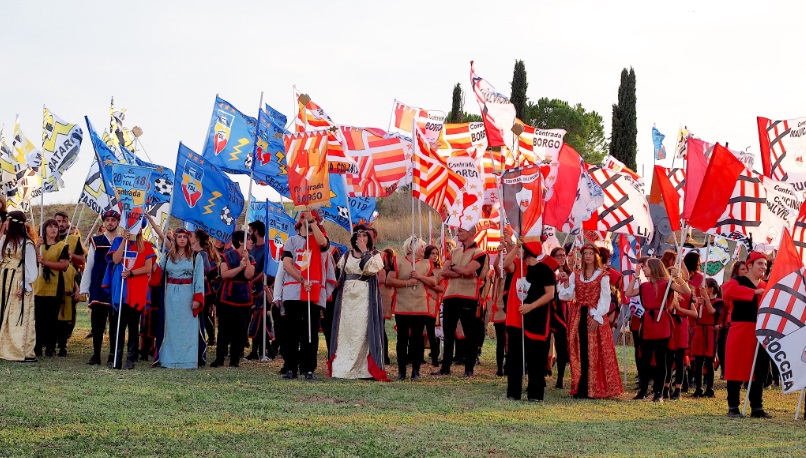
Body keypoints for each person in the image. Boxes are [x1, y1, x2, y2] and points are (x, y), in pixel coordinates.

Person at [558, 243, 623, 399]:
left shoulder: (602, 275)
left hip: (594, 314)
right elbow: (566, 296)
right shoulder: (576, 273)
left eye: (590, 253)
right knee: (579, 350)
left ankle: (595, 387)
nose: (587, 256)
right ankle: (581, 386)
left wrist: (597, 316)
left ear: (596, 256)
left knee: (594, 351)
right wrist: (566, 281)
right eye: (585, 253)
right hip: (578, 314)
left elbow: (605, 298)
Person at [625, 258, 691, 402]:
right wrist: (635, 277)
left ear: (654, 268)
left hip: (662, 323)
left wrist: (678, 277)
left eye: (646, 267)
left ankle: (659, 393)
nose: (643, 269)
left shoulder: (667, 284)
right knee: (645, 360)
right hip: (648, 323)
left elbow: (686, 291)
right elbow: (628, 293)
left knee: (662, 360)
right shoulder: (644, 286)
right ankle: (643, 391)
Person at [328, 225, 388, 380]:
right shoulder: (347, 255)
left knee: (361, 331)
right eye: (358, 236)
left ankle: (362, 369)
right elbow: (340, 272)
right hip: (347, 298)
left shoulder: (375, 255)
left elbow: (369, 269)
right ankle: (343, 367)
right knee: (346, 330)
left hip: (364, 297)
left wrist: (365, 251)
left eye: (365, 236)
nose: (362, 239)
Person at [281, 211, 335, 380]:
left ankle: (308, 368)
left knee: (309, 332)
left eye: (310, 218)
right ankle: (290, 366)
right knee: (291, 332)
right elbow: (287, 264)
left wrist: (313, 224)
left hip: (313, 293)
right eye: (304, 217)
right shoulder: (291, 241)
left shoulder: (320, 240)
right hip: (293, 292)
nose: (306, 220)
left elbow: (322, 243)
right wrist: (302, 279)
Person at [503, 241, 557, 402]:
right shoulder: (517, 266)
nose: (518, 253)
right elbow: (506, 263)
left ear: (527, 252)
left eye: (521, 250)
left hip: (536, 319)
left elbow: (550, 294)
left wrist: (531, 306)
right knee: (514, 358)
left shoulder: (544, 270)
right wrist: (516, 246)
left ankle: (535, 394)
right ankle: (513, 393)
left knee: (536, 358)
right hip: (515, 319)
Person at [433, 226, 488, 377]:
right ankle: (445, 368)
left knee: (470, 334)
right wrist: (462, 272)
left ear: (471, 233)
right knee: (448, 333)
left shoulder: (480, 253)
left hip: (469, 297)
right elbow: (444, 272)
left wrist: (456, 268)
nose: (457, 234)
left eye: (461, 231)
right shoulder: (454, 251)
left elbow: (468, 271)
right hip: (450, 295)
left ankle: (469, 369)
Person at [722, 252, 771, 418]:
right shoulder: (738, 281)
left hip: (761, 332)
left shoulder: (766, 285)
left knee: (759, 368)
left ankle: (757, 407)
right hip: (741, 329)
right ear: (749, 265)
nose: (763, 267)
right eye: (759, 264)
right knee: (736, 366)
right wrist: (754, 293)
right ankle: (733, 407)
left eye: (764, 264)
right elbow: (727, 291)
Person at [153, 228, 205, 369]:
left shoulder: (196, 257)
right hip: (170, 295)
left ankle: (188, 360)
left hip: (188, 294)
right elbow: (159, 274)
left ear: (189, 239)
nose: (182, 239)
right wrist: (153, 263)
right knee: (171, 326)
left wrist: (197, 298)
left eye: (185, 237)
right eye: (179, 237)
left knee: (188, 328)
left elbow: (199, 279)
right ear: (175, 239)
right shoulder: (168, 256)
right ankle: (168, 359)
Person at [386, 237, 435, 380]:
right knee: (402, 339)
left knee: (417, 340)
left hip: (420, 306)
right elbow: (389, 280)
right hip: (402, 306)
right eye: (421, 247)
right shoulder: (398, 261)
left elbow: (433, 281)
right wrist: (407, 282)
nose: (423, 250)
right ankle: (401, 371)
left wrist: (420, 277)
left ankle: (416, 370)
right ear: (412, 248)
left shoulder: (427, 264)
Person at [106, 229, 156, 369]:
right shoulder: (118, 241)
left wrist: (131, 273)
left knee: (134, 325)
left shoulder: (146, 245)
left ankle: (130, 359)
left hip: (137, 289)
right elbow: (115, 260)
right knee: (118, 325)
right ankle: (117, 358)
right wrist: (123, 240)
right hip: (121, 289)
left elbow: (148, 268)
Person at [79, 210, 120, 365]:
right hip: (98, 284)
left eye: (113, 220)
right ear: (104, 222)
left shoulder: (122, 241)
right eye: (107, 220)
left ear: (118, 222)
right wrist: (84, 287)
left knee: (115, 322)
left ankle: (112, 354)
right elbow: (89, 265)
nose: (110, 222)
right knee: (97, 322)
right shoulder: (96, 241)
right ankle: (96, 354)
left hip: (116, 285)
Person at [211, 230, 255, 368]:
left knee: (240, 329)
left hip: (243, 296)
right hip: (227, 295)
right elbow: (224, 274)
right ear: (241, 242)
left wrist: (246, 261)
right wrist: (239, 267)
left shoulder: (251, 258)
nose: (251, 241)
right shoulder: (227, 256)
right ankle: (220, 358)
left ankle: (235, 359)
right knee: (224, 328)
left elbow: (249, 275)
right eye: (248, 239)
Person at [0, 211, 38, 362]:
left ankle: (18, 349)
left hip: (18, 280)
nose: (5, 224)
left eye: (8, 222)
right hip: (3, 279)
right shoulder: (4, 240)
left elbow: (31, 268)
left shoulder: (27, 244)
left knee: (16, 315)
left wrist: (24, 285)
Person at [661, 251, 699, 400]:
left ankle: (678, 389)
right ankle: (665, 387)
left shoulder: (687, 292)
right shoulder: (669, 290)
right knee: (668, 358)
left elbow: (694, 313)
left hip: (681, 325)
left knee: (680, 359)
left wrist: (680, 309)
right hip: (670, 325)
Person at [33, 219, 70, 358]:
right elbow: (33, 261)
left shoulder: (62, 246)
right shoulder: (40, 245)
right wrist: (37, 246)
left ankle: (50, 347)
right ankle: (37, 346)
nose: (53, 229)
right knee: (39, 318)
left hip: (54, 287)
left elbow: (63, 266)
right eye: (50, 226)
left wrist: (46, 262)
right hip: (39, 286)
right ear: (45, 229)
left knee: (52, 319)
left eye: (55, 226)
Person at [53, 211, 85, 357]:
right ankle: (50, 342)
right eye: (58, 221)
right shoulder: (49, 238)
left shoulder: (73, 239)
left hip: (70, 279)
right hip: (52, 279)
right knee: (52, 312)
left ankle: (63, 343)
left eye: (63, 221)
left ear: (68, 223)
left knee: (68, 312)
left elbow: (82, 260)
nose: (60, 224)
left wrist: (71, 255)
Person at [691, 278, 722, 398]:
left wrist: (707, 300)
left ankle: (710, 388)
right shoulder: (700, 301)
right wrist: (698, 303)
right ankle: (698, 388)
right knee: (698, 362)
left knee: (709, 362)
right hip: (699, 331)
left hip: (709, 332)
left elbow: (712, 312)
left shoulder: (718, 302)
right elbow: (695, 316)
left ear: (711, 288)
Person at [549, 246, 571, 389]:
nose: (562, 258)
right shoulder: (548, 272)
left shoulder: (570, 273)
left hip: (563, 312)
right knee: (544, 345)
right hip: (549, 310)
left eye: (563, 255)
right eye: (559, 256)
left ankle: (560, 378)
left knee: (562, 346)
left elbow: (570, 294)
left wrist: (567, 280)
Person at [423, 245, 445, 368]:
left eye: (436, 253)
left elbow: (441, 288)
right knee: (419, 331)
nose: (435, 256)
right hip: (420, 302)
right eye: (432, 253)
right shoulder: (421, 267)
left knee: (432, 331)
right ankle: (417, 356)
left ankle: (435, 358)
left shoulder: (439, 271)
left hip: (432, 303)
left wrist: (427, 282)